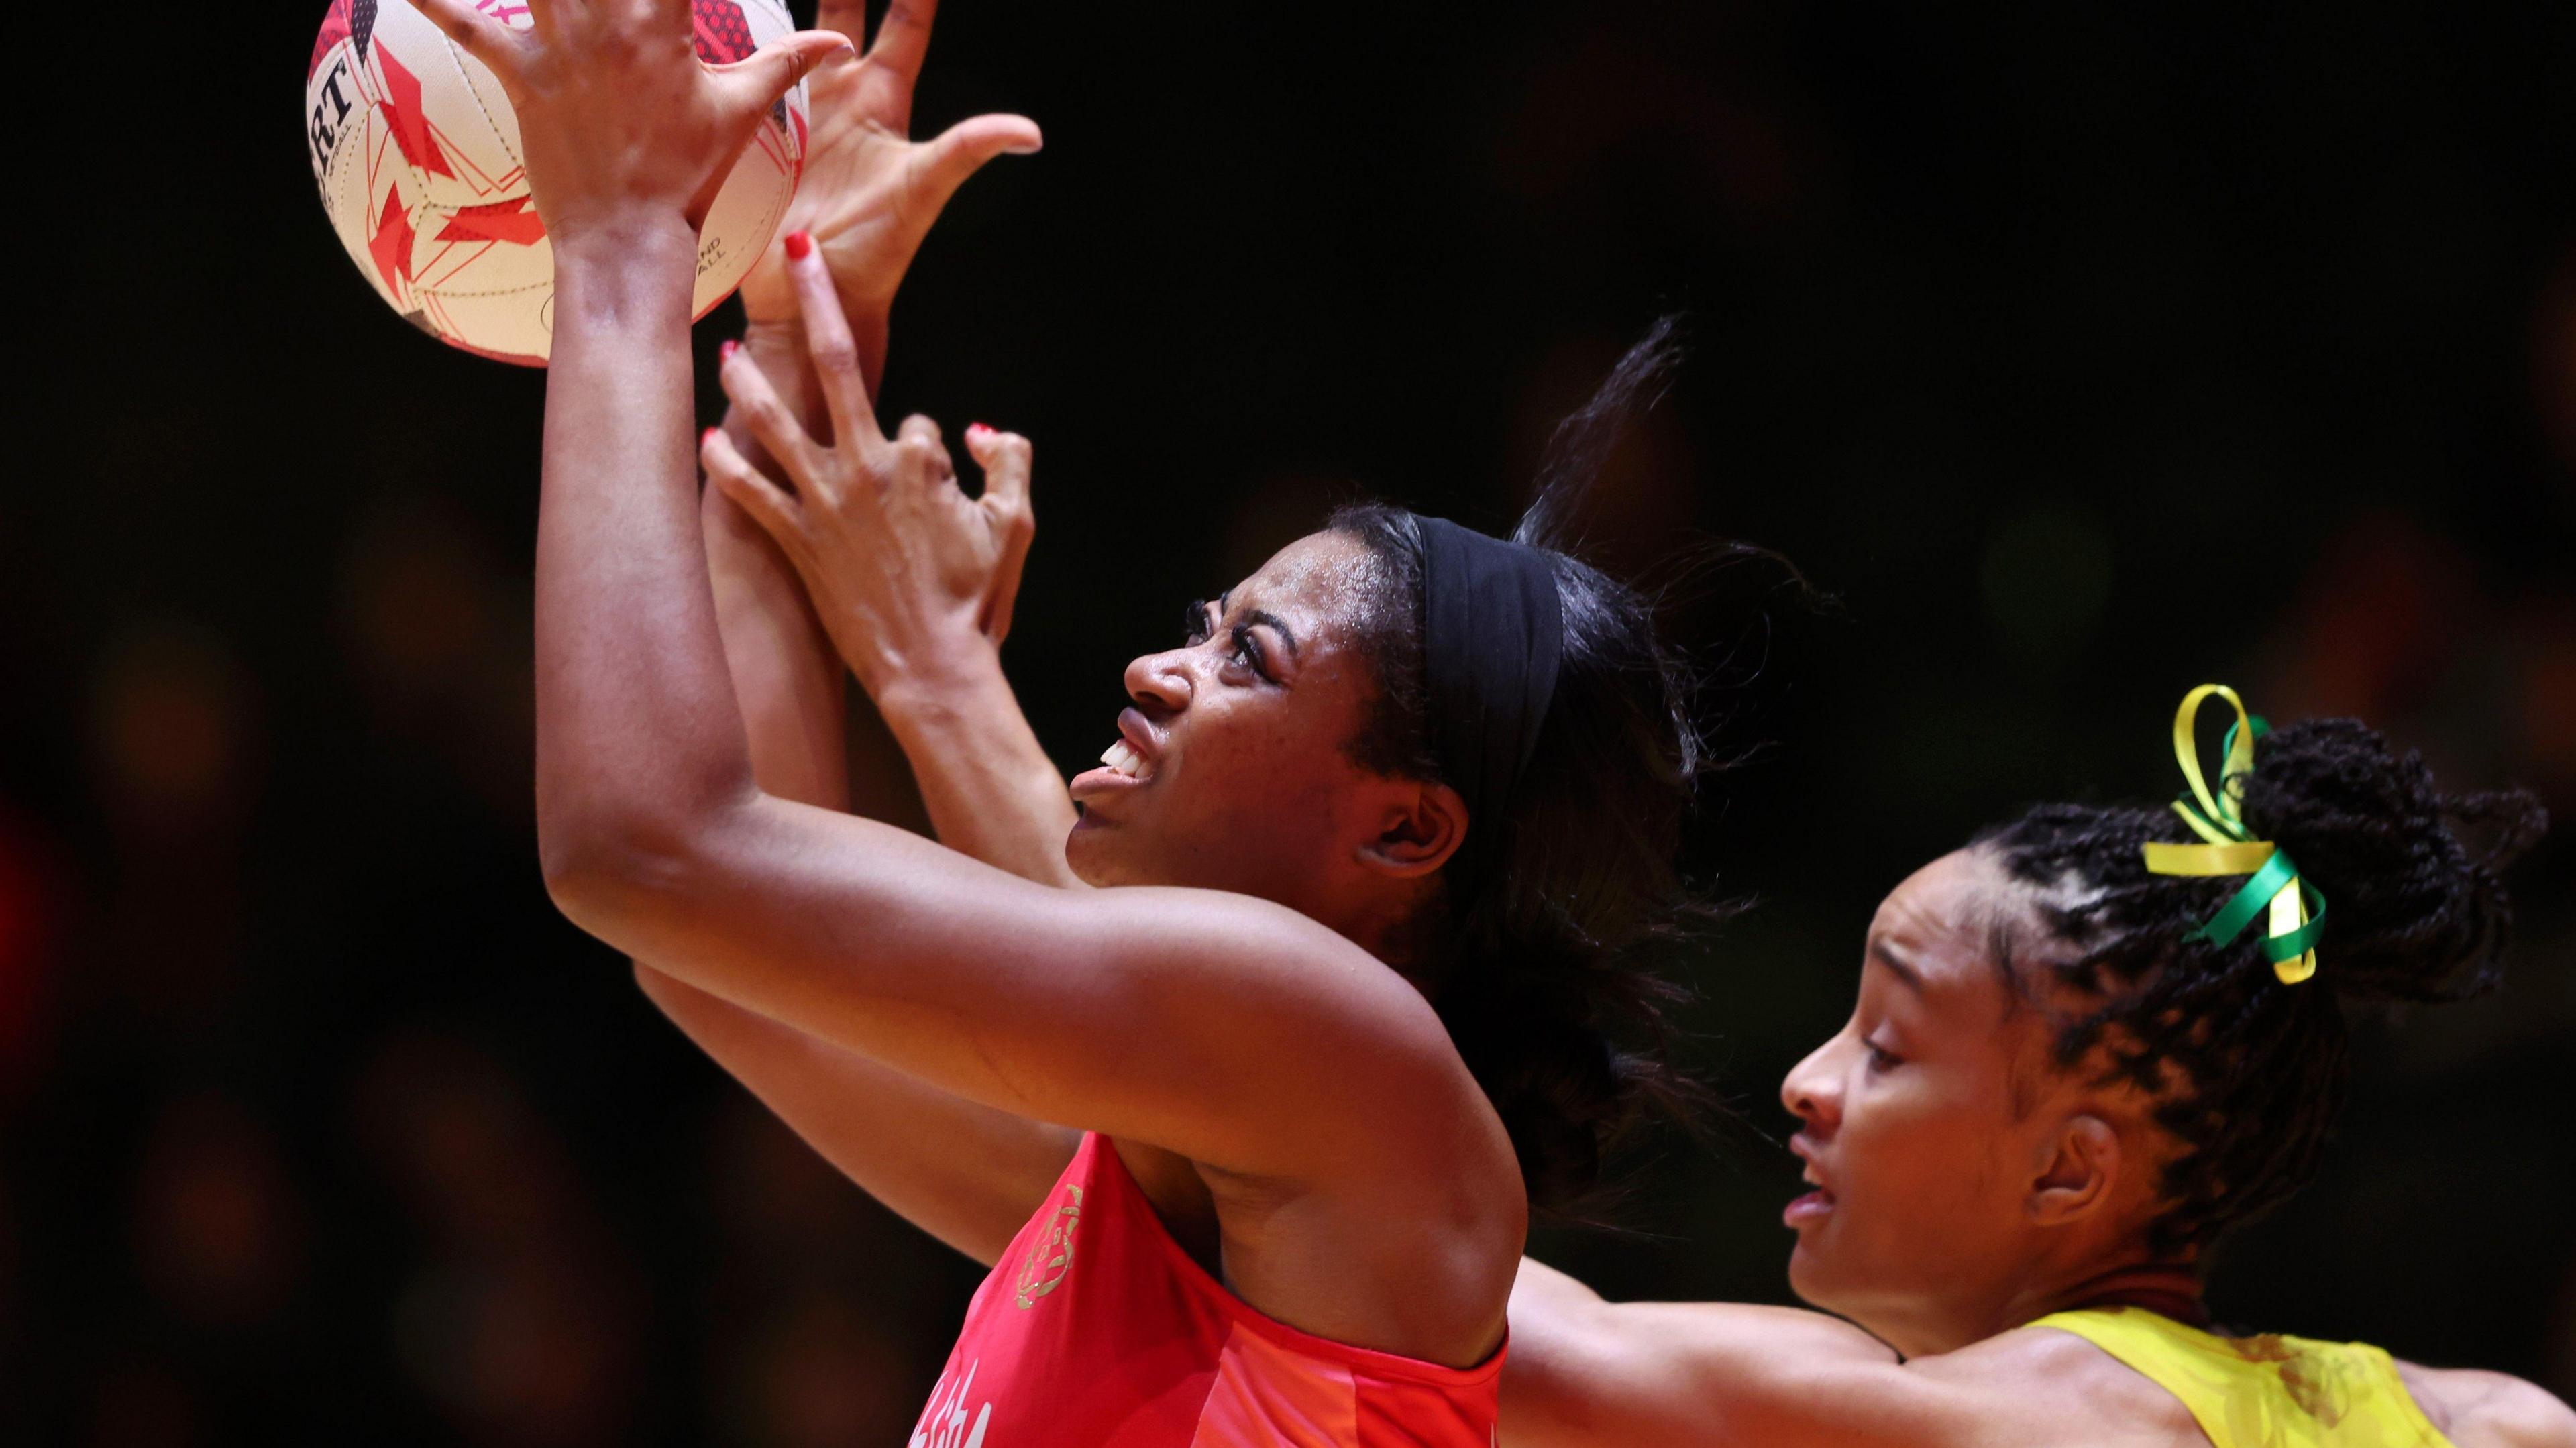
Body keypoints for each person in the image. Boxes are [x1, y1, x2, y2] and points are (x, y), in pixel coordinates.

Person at [409, 2, 1712, 1442]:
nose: (1165, 668)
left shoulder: (1347, 1049)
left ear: (1406, 826)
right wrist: (799, 311)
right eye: (1207, 625)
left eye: (1251, 659)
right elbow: (710, 958)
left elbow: (644, 848)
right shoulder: (1146, 1200)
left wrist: (619, 247)